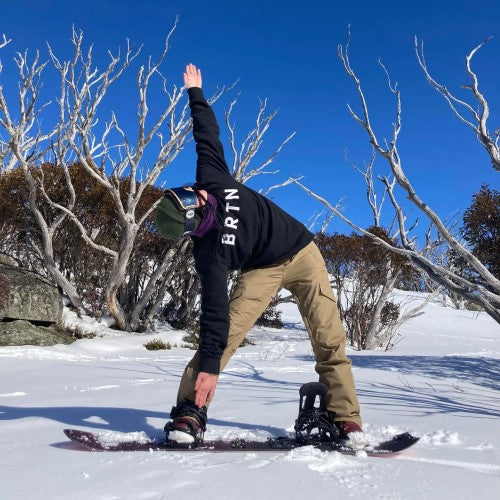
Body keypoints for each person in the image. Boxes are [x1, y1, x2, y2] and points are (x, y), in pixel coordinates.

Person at [156, 64, 362, 443]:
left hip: (303, 252)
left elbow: (206, 135)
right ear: (193, 218)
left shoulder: (212, 178)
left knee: (329, 337)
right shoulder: (210, 254)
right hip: (261, 269)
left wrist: (195, 94)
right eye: (192, 199)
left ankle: (344, 418)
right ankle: (190, 412)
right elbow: (215, 317)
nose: (197, 191)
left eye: (188, 191)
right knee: (226, 336)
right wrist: (210, 368)